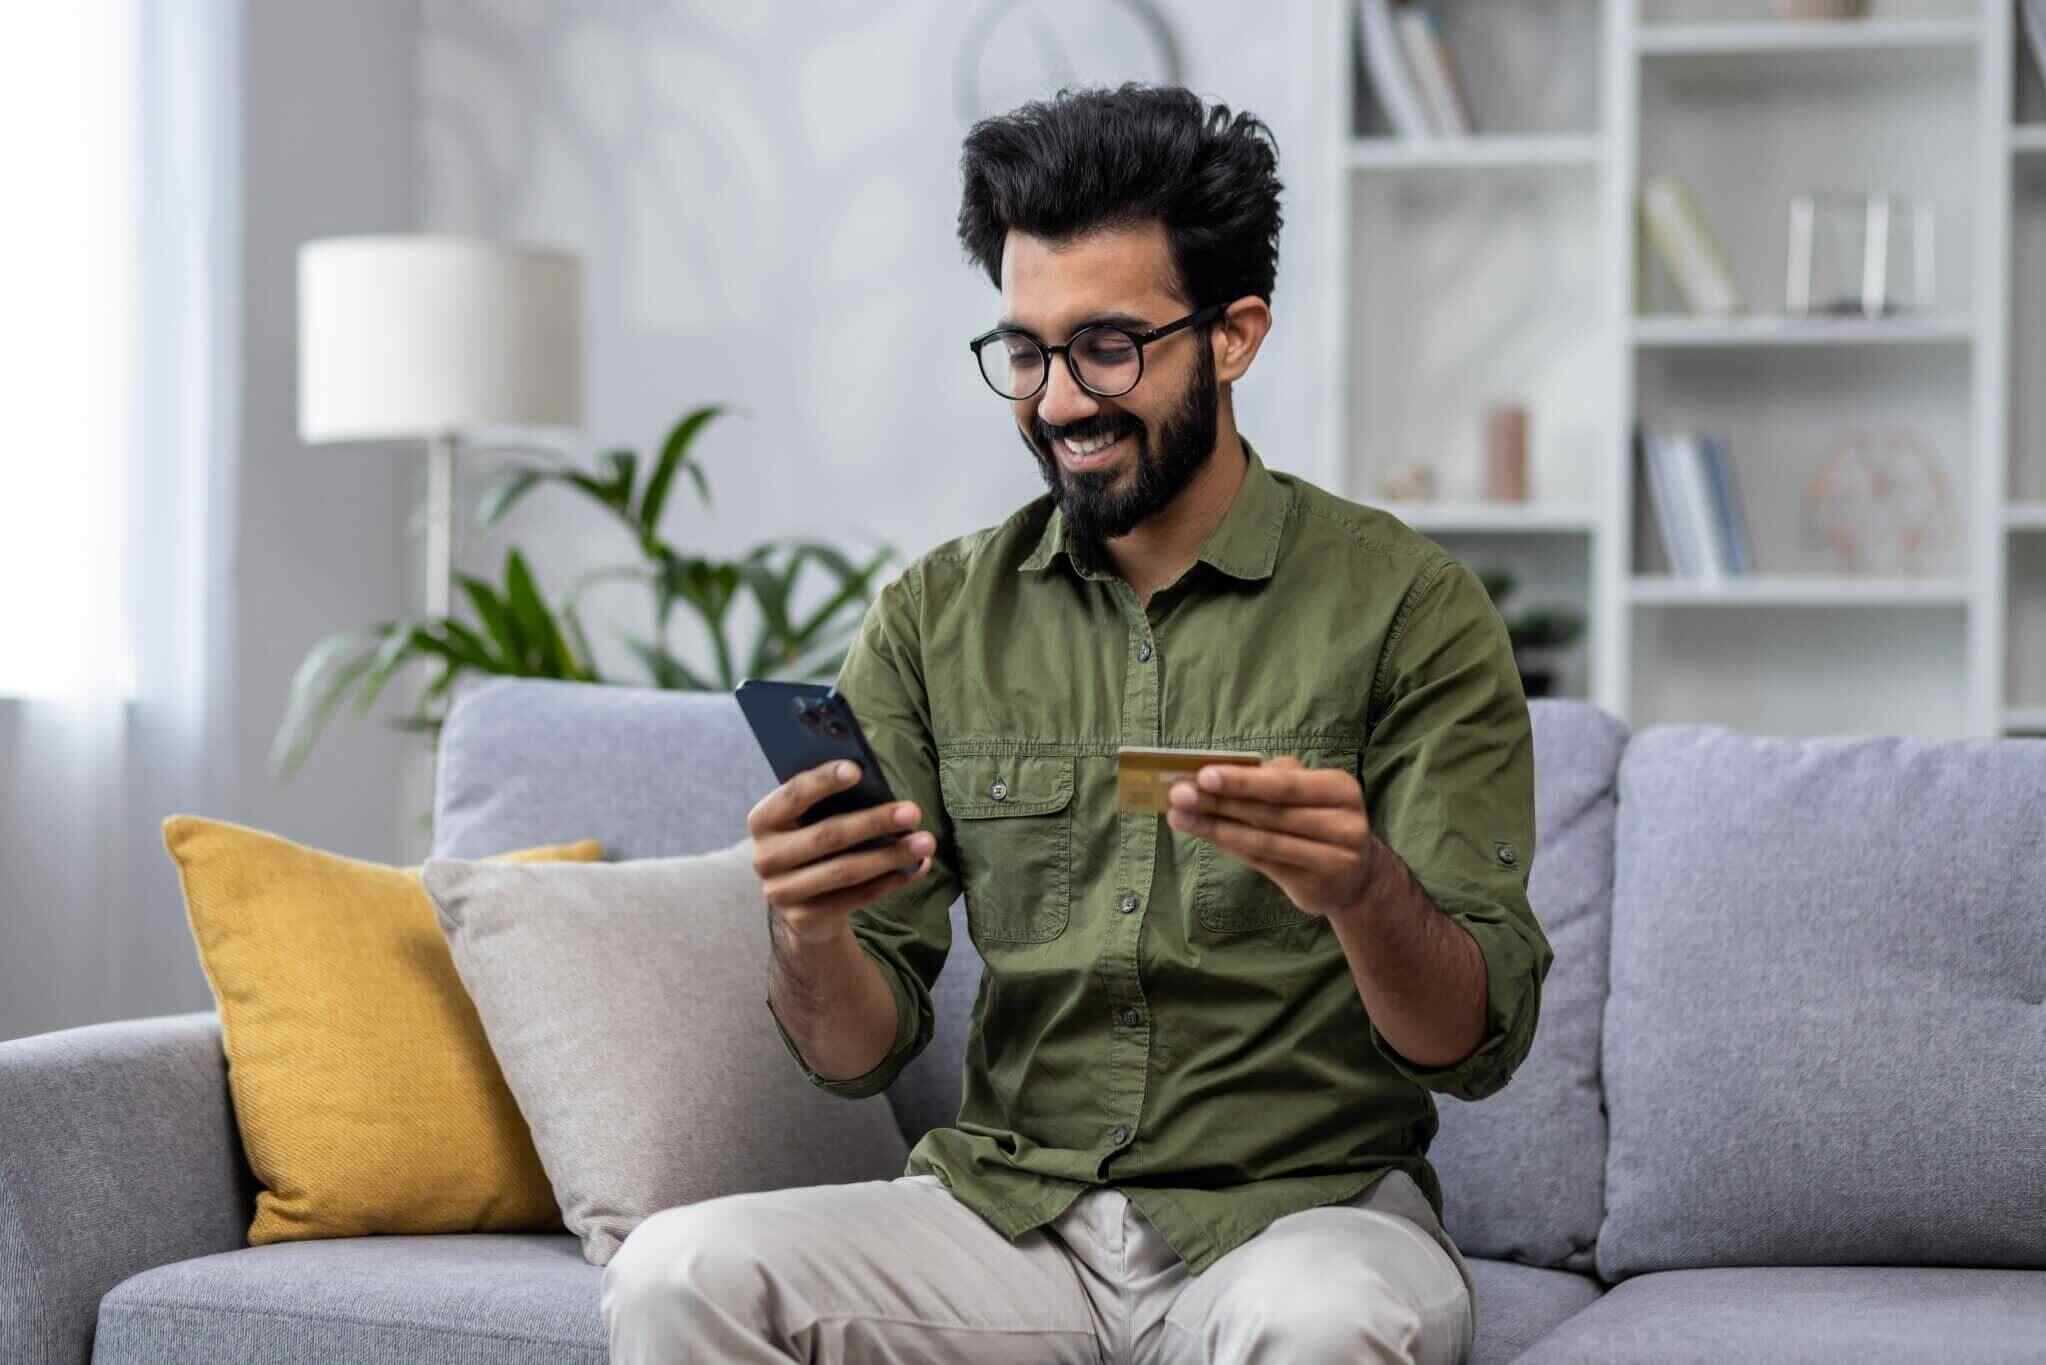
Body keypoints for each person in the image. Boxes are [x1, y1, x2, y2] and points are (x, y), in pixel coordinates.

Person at [603, 82, 1551, 1365]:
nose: (1057, 402)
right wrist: (810, 929)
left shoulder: (1411, 610)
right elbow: (853, 1048)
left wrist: (1363, 888)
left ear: (1235, 336)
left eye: (1108, 347)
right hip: (1010, 1220)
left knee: (1323, 1323)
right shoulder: (937, 619)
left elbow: (1471, 1044)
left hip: (1303, 1219)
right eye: (1027, 351)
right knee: (679, 1273)